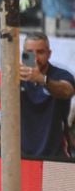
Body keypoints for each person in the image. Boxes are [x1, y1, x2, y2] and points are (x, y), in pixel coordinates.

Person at [19, 32, 75, 160]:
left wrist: (42, 79)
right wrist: (9, 80)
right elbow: (1, 96)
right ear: (24, 54)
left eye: (40, 52)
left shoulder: (61, 74)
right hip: (23, 157)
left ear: (49, 54)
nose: (35, 58)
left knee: (58, 181)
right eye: (30, 52)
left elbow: (67, 90)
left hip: (56, 155)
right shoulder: (17, 77)